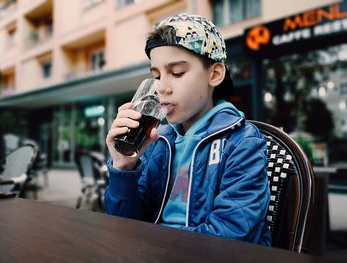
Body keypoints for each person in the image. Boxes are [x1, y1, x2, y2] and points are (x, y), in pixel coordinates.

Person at [105, 13, 271, 246]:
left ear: (214, 74)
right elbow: (124, 226)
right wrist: (124, 167)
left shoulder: (242, 143)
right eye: (156, 76)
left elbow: (233, 235)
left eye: (177, 73)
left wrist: (155, 248)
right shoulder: (158, 140)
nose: (161, 87)